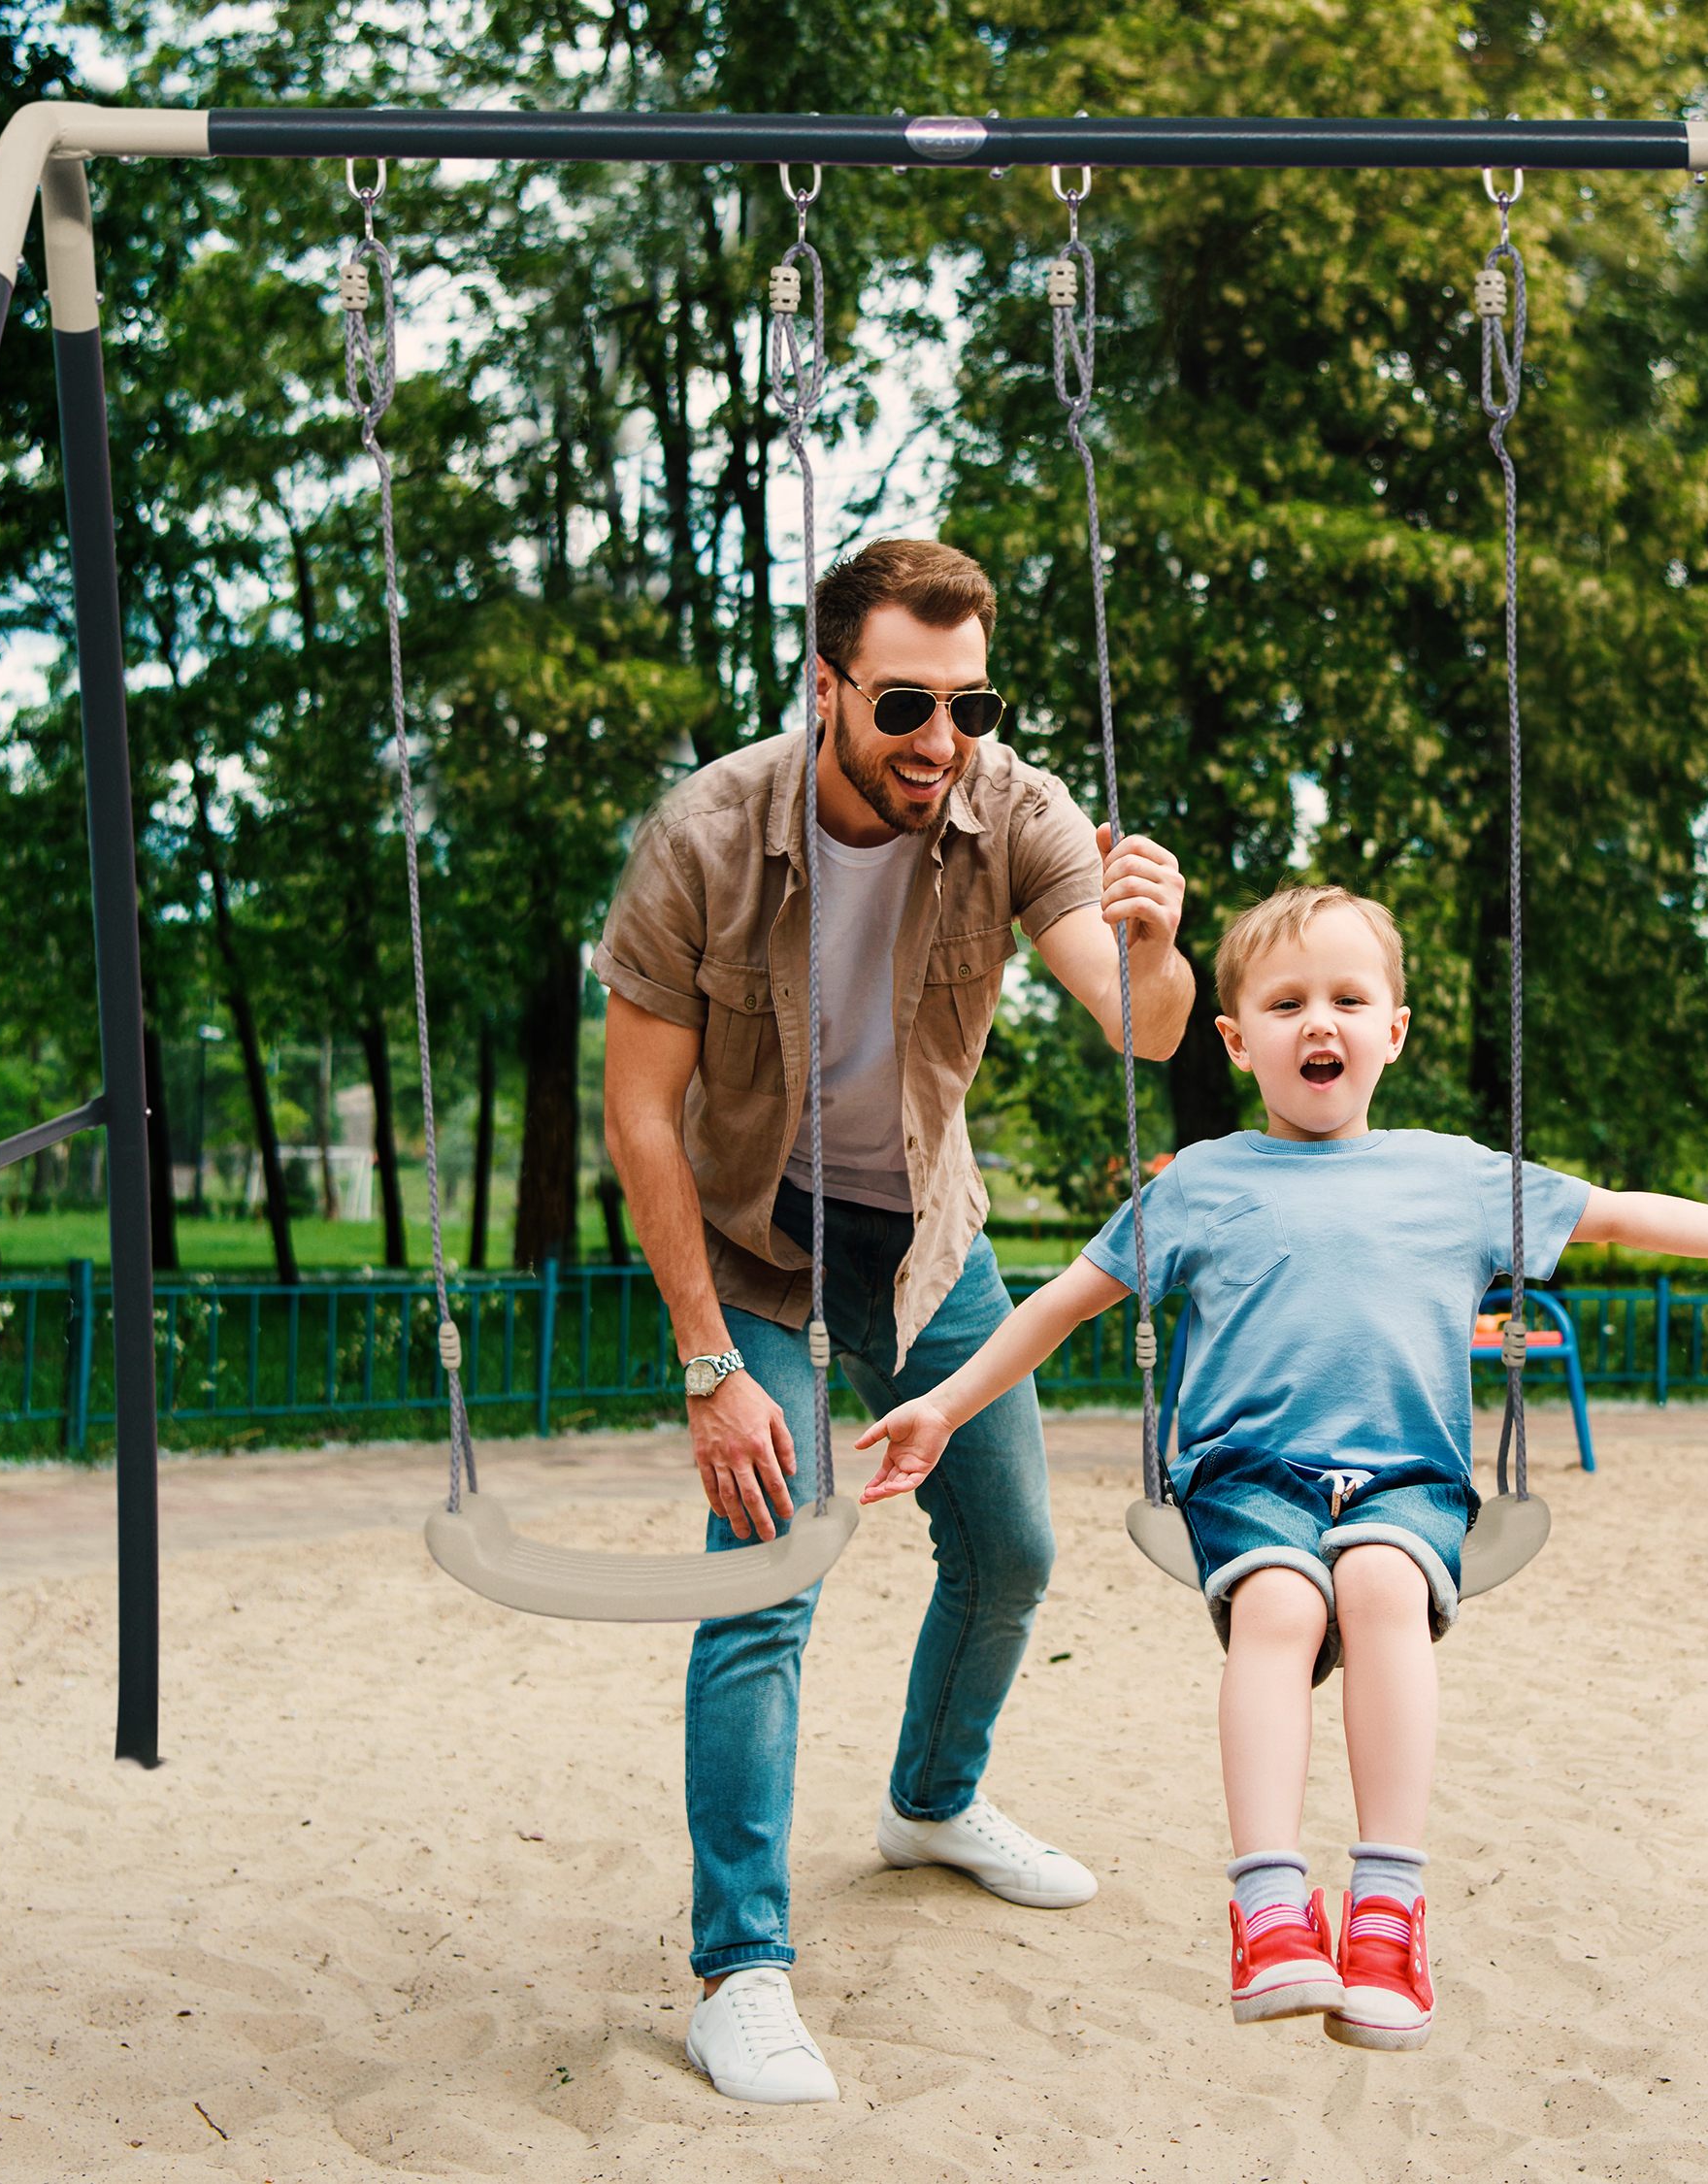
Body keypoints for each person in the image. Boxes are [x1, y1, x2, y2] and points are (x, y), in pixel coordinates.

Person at [849, 883, 1708, 2051]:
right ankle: (1269, 1908)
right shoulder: (1199, 1182)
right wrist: (941, 1406)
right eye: (1287, 1002)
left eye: (1350, 999)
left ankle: (1389, 1907)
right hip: (1246, 1476)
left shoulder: (1453, 1176)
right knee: (1283, 1607)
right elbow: (1060, 1304)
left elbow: (1615, 1215)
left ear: (1392, 1031)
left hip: (1409, 1479)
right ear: (1238, 1040)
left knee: (1383, 1589)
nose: (1320, 1023)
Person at [594, 537, 1195, 2104]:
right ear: (829, 685)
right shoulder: (707, 833)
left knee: (1012, 1548)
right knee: (771, 1580)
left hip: (926, 1233)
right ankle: (740, 1968)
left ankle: (933, 1802)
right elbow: (641, 1118)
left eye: (972, 702)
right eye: (908, 704)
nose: (943, 739)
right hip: (749, 1243)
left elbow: (1139, 1024)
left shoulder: (1015, 806)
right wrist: (709, 1364)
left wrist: (1158, 938)